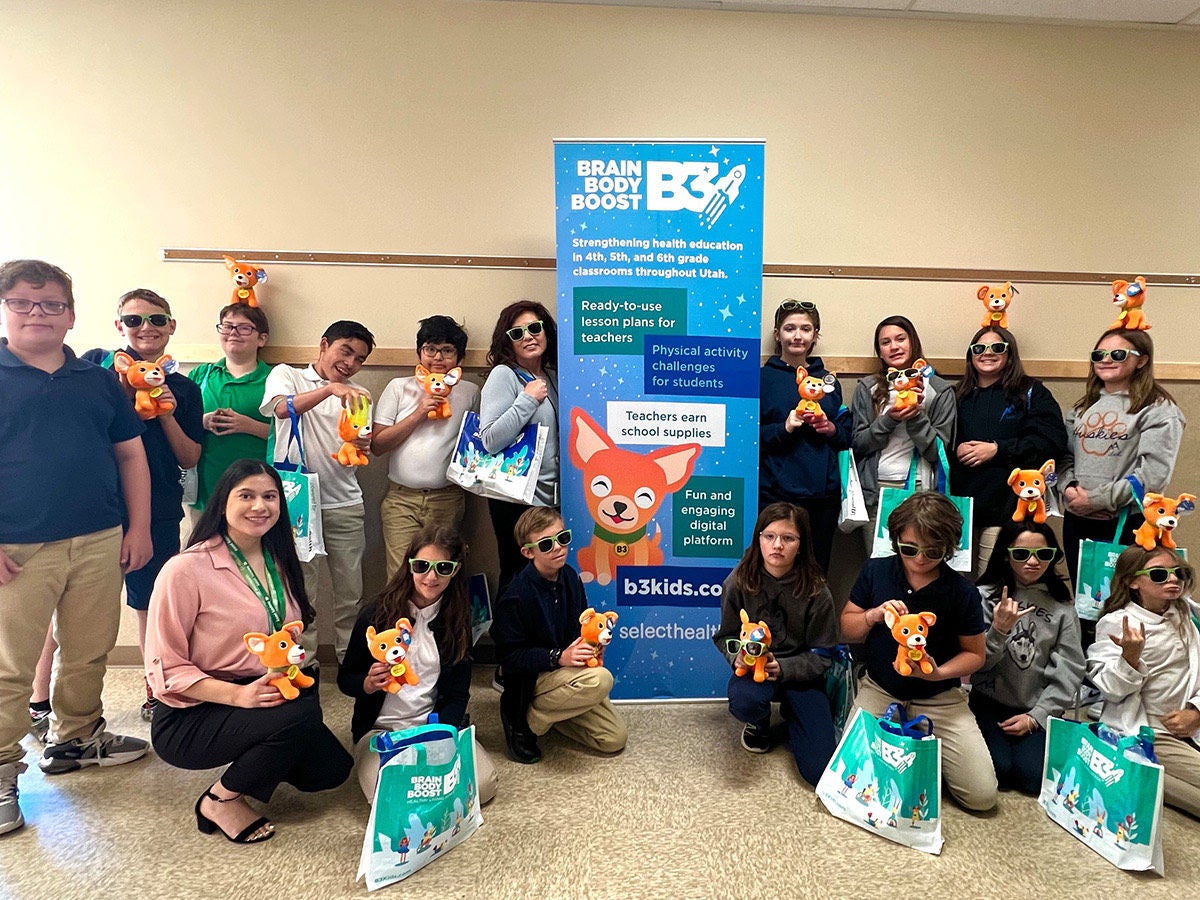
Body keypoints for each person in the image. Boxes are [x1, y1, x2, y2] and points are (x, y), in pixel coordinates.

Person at [0, 260, 152, 837]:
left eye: (51, 305)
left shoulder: (97, 380)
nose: (37, 314)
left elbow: (130, 455)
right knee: (10, 666)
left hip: (97, 538)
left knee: (90, 648)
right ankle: (0, 771)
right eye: (23, 303)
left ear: (71, 313)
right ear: (5, 308)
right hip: (17, 547)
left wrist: (138, 529)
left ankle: (77, 738)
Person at [145, 459, 352, 843]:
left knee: (330, 771)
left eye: (270, 497)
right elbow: (165, 670)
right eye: (247, 496)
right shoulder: (185, 571)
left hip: (264, 688)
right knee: (301, 712)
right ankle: (219, 800)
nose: (260, 506)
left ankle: (266, 746)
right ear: (222, 502)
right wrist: (238, 696)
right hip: (193, 711)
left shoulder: (279, 558)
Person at [82, 288, 204, 719]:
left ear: (171, 326)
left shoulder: (185, 388)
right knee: (80, 612)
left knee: (150, 603)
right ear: (120, 327)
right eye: (134, 321)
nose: (146, 328)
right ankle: (47, 705)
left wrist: (167, 412)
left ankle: (154, 689)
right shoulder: (95, 376)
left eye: (156, 319)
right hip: (96, 508)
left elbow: (190, 457)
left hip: (159, 507)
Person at [840, 491, 997, 811]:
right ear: (895, 539)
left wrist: (937, 672)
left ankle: (922, 754)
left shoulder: (962, 592)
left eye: (934, 551)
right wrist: (873, 615)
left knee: (982, 797)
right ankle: (915, 753)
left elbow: (975, 655)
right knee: (850, 776)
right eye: (909, 548)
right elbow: (846, 628)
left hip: (941, 699)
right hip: (881, 689)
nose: (920, 558)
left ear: (950, 548)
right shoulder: (875, 571)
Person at [339, 524, 497, 803]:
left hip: (433, 728)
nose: (431, 577)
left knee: (484, 787)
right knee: (390, 795)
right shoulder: (376, 615)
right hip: (382, 731)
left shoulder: (459, 619)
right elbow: (345, 679)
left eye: (443, 567)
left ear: (456, 569)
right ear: (409, 565)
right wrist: (367, 683)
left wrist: (441, 733)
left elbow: (459, 694)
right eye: (422, 565)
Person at [261, 320, 375, 659]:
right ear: (324, 344)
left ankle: (349, 660)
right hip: (295, 504)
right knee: (300, 591)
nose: (351, 363)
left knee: (350, 591)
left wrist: (360, 447)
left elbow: (360, 440)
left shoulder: (361, 394)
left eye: (359, 359)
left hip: (344, 502)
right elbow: (281, 409)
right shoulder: (287, 374)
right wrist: (328, 389)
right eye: (346, 351)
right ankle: (304, 663)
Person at [713, 502, 838, 785]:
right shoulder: (738, 581)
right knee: (745, 702)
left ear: (801, 544)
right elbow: (725, 636)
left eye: (788, 538)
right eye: (769, 536)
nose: (777, 545)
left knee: (818, 772)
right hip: (754, 671)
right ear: (758, 539)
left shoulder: (817, 590)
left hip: (801, 674)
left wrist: (783, 667)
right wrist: (740, 658)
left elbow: (823, 654)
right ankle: (759, 722)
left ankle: (795, 713)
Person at [490, 507, 627, 764]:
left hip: (566, 675)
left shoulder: (570, 577)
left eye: (562, 538)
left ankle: (550, 714)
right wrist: (558, 657)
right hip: (534, 678)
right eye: (546, 544)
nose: (558, 548)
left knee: (613, 739)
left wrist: (592, 646)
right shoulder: (515, 595)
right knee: (600, 680)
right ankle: (525, 720)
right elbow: (509, 659)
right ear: (528, 552)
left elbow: (580, 627)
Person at [1060, 329, 1184, 590]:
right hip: (1077, 522)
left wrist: (1095, 500)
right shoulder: (1082, 408)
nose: (1106, 360)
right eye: (1099, 354)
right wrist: (1069, 490)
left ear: (1142, 360)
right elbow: (1064, 458)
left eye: (1117, 354)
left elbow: (1152, 478)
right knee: (1086, 603)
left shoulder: (1159, 409)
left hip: (1128, 524)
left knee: (1125, 604)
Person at [970, 520, 1084, 795]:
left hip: (1035, 708)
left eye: (1043, 555)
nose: (1033, 562)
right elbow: (976, 664)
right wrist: (998, 630)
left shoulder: (1063, 609)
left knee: (1032, 780)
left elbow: (1070, 671)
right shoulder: (984, 597)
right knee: (1000, 772)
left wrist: (1036, 717)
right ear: (1005, 555)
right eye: (1021, 554)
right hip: (988, 701)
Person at [1087, 545, 1200, 818]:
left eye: (1178, 573)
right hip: (1151, 733)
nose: (1173, 580)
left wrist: (1196, 712)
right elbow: (1111, 691)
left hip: (1190, 726)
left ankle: (1144, 777)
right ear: (1132, 581)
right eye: (1160, 574)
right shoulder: (1118, 623)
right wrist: (1130, 659)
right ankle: (1139, 771)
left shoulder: (1187, 613)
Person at [951, 327, 1068, 574]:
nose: (987, 354)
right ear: (970, 355)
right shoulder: (956, 394)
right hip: (958, 507)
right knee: (954, 584)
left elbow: (1051, 441)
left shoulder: (1030, 392)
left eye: (997, 348)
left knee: (990, 584)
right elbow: (936, 442)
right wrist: (955, 447)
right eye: (979, 348)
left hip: (1006, 508)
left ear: (1009, 353)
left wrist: (998, 449)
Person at [372, 315, 480, 579]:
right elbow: (377, 445)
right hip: (401, 500)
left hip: (448, 498)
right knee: (400, 577)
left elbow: (476, 445)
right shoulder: (398, 387)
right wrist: (418, 414)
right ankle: (400, 623)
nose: (438, 358)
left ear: (459, 359)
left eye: (447, 351)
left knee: (441, 576)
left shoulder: (470, 391)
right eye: (430, 349)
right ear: (420, 353)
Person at [758, 299, 851, 573]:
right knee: (774, 569)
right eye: (789, 328)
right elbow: (749, 440)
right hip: (774, 493)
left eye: (806, 329)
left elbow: (847, 436)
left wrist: (830, 429)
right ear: (778, 334)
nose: (797, 336)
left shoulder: (829, 382)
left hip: (822, 497)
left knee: (815, 570)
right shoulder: (762, 379)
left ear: (815, 336)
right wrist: (784, 427)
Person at [851, 315, 956, 549]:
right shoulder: (868, 388)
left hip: (921, 491)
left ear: (913, 342)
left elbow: (937, 453)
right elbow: (859, 444)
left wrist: (916, 416)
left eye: (900, 339)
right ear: (879, 352)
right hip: (875, 490)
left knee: (918, 560)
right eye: (885, 342)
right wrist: (888, 419)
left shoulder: (938, 390)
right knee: (879, 566)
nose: (894, 347)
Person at [479, 301, 559, 593]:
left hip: (550, 498)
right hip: (515, 500)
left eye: (535, 328)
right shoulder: (504, 375)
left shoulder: (552, 376)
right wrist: (527, 399)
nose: (528, 336)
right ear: (508, 341)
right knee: (518, 576)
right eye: (517, 333)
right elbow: (489, 439)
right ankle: (513, 640)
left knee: (548, 577)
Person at [188, 303, 272, 513]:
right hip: (206, 489)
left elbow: (294, 437)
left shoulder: (276, 379)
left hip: (258, 491)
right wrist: (204, 421)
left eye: (244, 328)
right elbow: (177, 426)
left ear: (262, 338)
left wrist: (248, 426)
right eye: (227, 326)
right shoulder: (201, 375)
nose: (233, 333)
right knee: (203, 545)